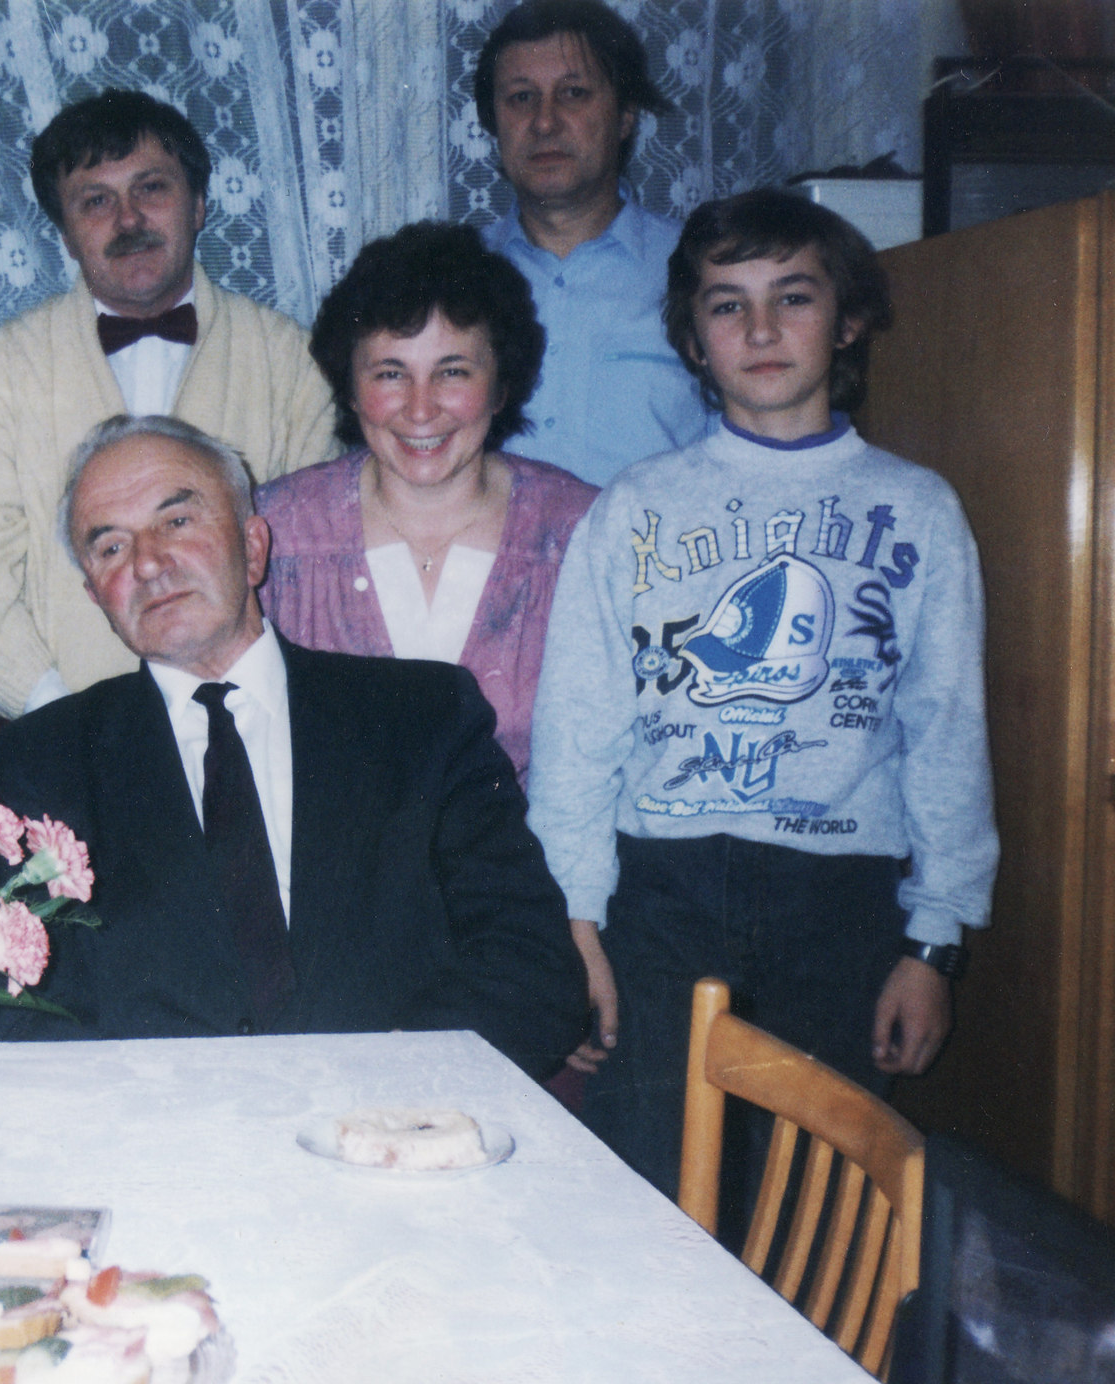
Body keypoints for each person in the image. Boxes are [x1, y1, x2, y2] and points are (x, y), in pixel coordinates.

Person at [526, 189, 997, 1202]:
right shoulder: (634, 506)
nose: (761, 329)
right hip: (662, 896)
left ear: (848, 319)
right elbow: (578, 734)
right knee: (653, 1192)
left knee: (813, 1205)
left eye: (792, 297)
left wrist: (934, 942)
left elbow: (946, 734)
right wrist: (577, 922)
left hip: (840, 902)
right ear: (692, 338)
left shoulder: (916, 507)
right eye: (726, 304)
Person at [0, 415, 584, 1075]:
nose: (149, 563)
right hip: (163, 1129)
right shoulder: (49, 758)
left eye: (177, 521)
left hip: (395, 1118)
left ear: (253, 547)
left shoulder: (421, 718)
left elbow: (533, 970)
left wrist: (379, 1088)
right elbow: (35, 1018)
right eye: (110, 548)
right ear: (95, 594)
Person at [0, 89, 336, 721]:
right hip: (67, 723)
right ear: (66, 236)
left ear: (199, 205)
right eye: (96, 202)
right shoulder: (3, 369)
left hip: (257, 719)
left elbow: (308, 568)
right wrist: (61, 721)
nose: (128, 220)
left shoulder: (290, 360)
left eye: (151, 188)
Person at [257, 221, 597, 783]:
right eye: (391, 374)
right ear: (350, 388)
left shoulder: (579, 532)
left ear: (501, 385)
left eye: (453, 372)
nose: (420, 409)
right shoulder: (277, 531)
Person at [473, 0, 709, 486]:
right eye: (521, 97)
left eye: (574, 93)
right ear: (494, 123)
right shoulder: (456, 275)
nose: (544, 122)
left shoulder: (700, 269)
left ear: (625, 116)